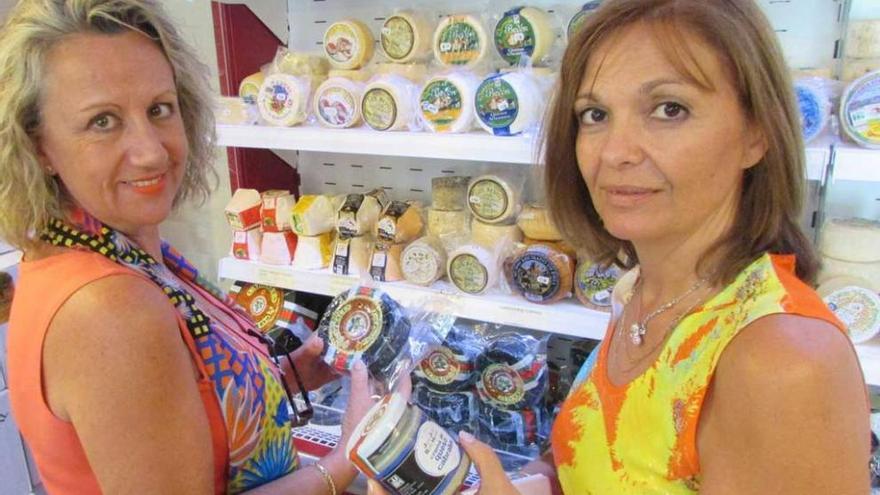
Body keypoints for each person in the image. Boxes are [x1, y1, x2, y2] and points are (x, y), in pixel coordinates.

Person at [386, 0, 871, 494]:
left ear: (756, 132)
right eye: (594, 114)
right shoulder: (643, 290)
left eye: (669, 109)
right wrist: (533, 483)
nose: (614, 152)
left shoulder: (782, 363)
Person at [0, 1, 374, 493]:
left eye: (159, 109)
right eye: (102, 121)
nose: (152, 151)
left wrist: (293, 374)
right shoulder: (108, 308)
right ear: (40, 145)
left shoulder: (107, 251)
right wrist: (349, 456)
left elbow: (178, 408)